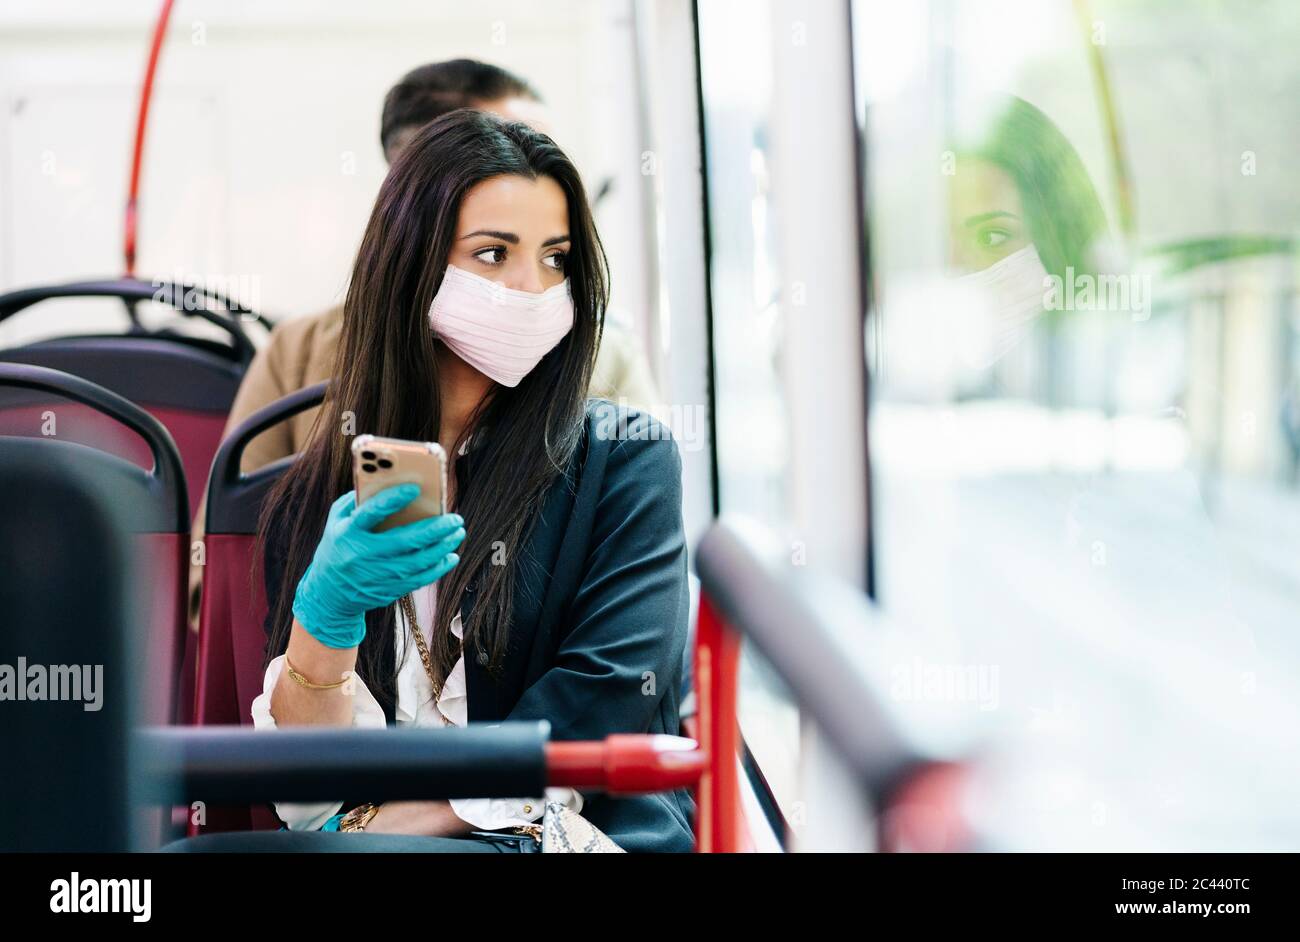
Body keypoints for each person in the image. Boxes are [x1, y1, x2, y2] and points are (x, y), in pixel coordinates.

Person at [243, 109, 693, 852]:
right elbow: (305, 793)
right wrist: (323, 622)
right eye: (493, 254)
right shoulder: (320, 489)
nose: (534, 287)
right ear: (412, 267)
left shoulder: (624, 459)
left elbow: (602, 700)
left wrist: (395, 824)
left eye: (556, 258)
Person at [188, 59, 660, 625]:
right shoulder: (299, 354)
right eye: (496, 157)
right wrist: (321, 614)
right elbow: (217, 589)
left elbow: (642, 582)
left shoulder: (604, 361)